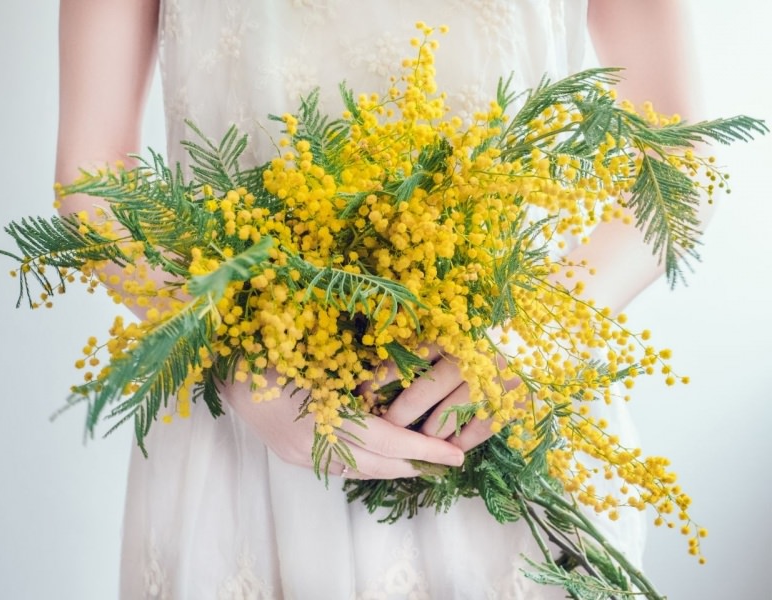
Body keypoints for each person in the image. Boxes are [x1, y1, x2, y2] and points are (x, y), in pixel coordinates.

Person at [55, 1, 704, 597]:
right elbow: (91, 175)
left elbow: (675, 154)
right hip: (251, 437)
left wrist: (529, 339)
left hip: (509, 417)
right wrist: (241, 359)